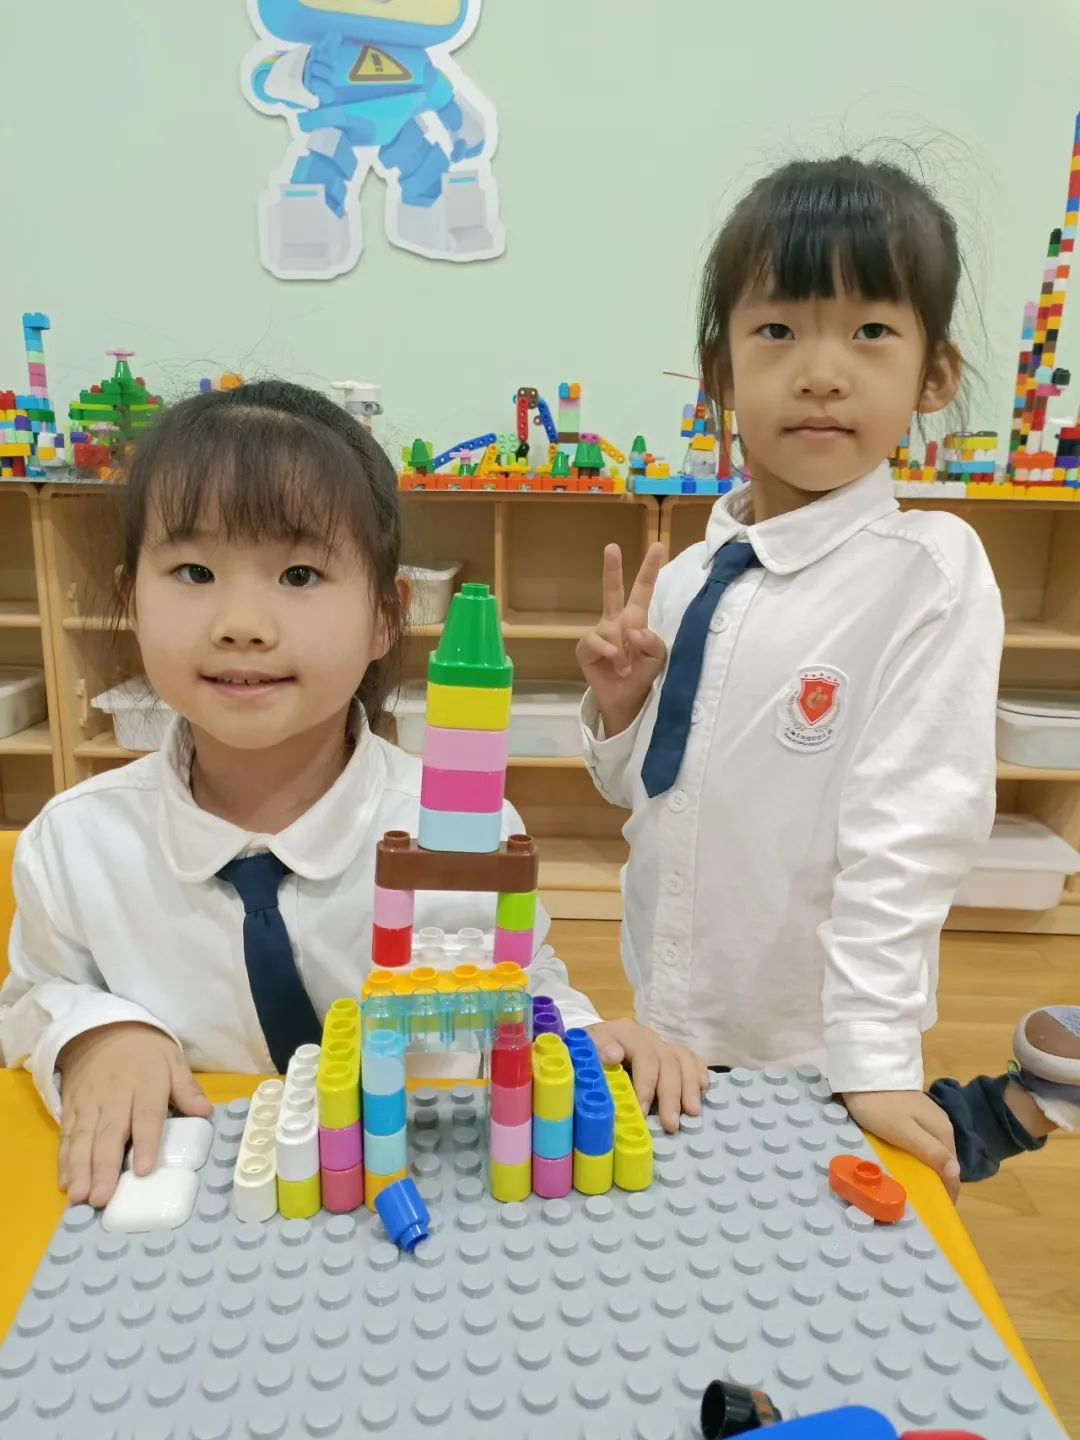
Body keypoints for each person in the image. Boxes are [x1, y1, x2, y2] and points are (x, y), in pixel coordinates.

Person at [0, 381, 703, 1210]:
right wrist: (94, 1035)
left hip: (424, 1200)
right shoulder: (74, 847)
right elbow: (33, 998)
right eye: (194, 571)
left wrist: (583, 1039)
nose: (242, 623)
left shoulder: (463, 831)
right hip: (189, 1209)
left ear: (384, 616)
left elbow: (523, 980)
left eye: (299, 573)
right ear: (131, 599)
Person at [576, 156, 1077, 1198]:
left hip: (813, 1036)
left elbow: (912, 830)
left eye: (870, 331)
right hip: (671, 1002)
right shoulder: (691, 575)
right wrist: (619, 713)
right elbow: (645, 791)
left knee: (818, 1223)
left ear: (934, 375)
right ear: (720, 371)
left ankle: (1016, 1109)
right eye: (778, 330)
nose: (820, 372)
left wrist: (875, 1057)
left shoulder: (926, 570)